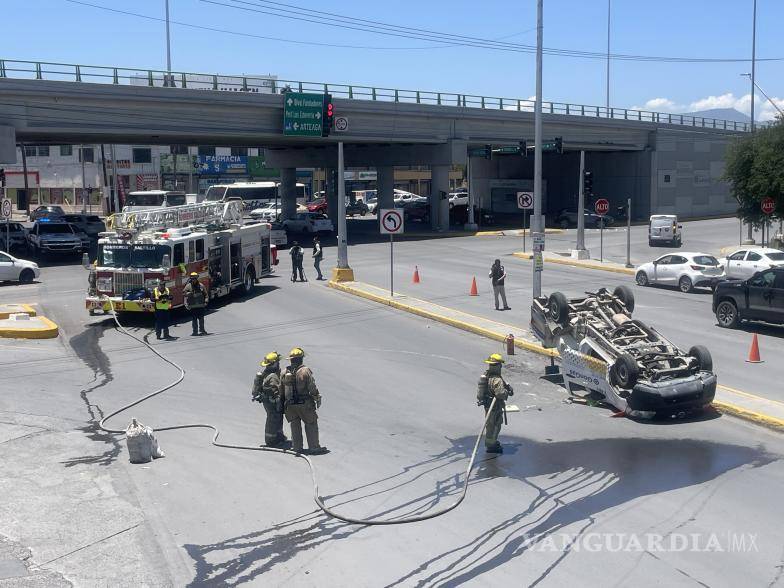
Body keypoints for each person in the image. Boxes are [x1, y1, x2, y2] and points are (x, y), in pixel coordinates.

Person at [283, 347, 327, 455]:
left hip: (290, 405)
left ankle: (296, 447)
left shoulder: (284, 371)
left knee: (295, 425)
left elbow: (281, 388)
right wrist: (317, 397)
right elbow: (311, 387)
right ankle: (314, 447)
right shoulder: (305, 371)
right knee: (311, 423)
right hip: (304, 404)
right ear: (301, 359)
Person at [477, 353, 513, 454]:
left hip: (487, 405)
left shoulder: (487, 375)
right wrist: (507, 392)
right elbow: (500, 393)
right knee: (495, 425)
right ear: (498, 365)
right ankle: (491, 446)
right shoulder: (497, 379)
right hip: (495, 406)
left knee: (490, 425)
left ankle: (491, 443)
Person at [251, 351, 289, 448]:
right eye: (277, 362)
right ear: (274, 363)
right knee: (272, 419)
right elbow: (275, 390)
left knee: (278, 418)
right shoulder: (273, 376)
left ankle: (279, 436)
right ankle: (271, 441)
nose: (279, 363)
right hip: (271, 402)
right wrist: (279, 401)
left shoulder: (267, 372)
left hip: (268, 400)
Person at [183, 272, 209, 336]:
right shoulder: (188, 286)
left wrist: (206, 301)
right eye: (192, 278)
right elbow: (184, 294)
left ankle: (202, 330)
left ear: (197, 278)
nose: (194, 279)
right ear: (191, 279)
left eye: (195, 278)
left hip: (201, 306)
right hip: (193, 306)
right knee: (194, 320)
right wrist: (188, 294)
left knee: (201, 319)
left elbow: (206, 294)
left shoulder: (201, 285)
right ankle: (195, 331)